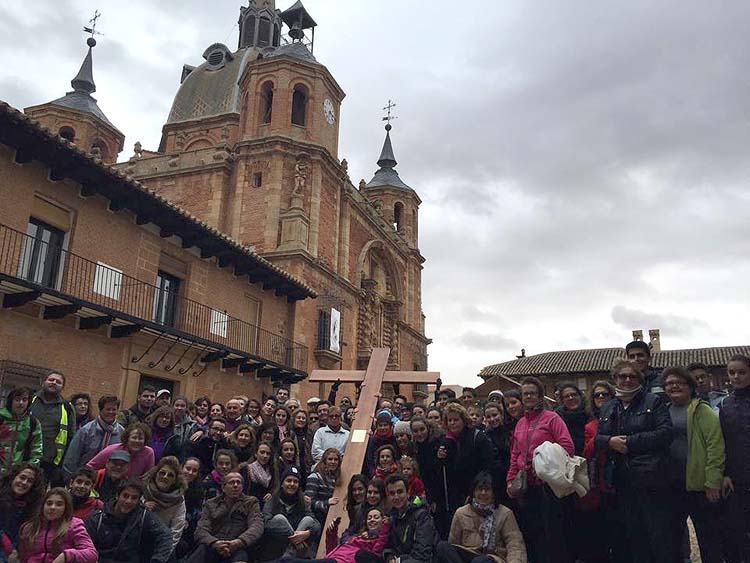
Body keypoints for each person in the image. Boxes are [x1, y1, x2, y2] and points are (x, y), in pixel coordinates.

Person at [595, 360, 674, 563]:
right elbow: (597, 438)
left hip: (651, 479)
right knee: (634, 536)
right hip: (621, 482)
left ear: (639, 379)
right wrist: (609, 441)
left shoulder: (653, 401)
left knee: (659, 536)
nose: (628, 380)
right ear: (615, 379)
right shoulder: (608, 408)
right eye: (623, 376)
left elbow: (665, 433)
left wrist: (630, 442)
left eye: (632, 376)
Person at [506, 376, 574, 563]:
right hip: (528, 487)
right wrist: (510, 479)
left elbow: (567, 446)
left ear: (540, 396)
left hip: (548, 486)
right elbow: (515, 454)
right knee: (532, 532)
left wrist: (543, 463)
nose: (528, 397)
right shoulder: (520, 423)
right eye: (525, 394)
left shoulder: (552, 418)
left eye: (532, 393)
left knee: (553, 534)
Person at [661, 366, 724, 563]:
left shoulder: (701, 410)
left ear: (689, 386)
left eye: (679, 382)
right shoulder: (664, 411)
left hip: (698, 483)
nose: (674, 386)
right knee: (674, 536)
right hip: (672, 483)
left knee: (707, 536)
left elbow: (716, 446)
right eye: (669, 383)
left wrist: (713, 481)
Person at [435, 472, 526, 563]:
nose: (483, 493)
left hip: (492, 558)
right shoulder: (461, 513)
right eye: (479, 489)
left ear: (493, 492)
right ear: (473, 492)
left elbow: (515, 546)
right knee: (442, 547)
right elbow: (453, 544)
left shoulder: (505, 514)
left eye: (487, 490)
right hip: (467, 555)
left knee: (479, 561)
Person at [437, 403, 494, 539]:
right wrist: (440, 459)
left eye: (456, 420)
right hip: (455, 495)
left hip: (476, 491)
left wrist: (475, 490)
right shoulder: (446, 441)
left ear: (463, 420)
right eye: (449, 420)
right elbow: (445, 471)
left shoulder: (477, 437)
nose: (452, 423)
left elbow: (487, 466)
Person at [85, 479, 172, 563]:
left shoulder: (143, 516)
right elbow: (84, 546)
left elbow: (165, 535)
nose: (128, 501)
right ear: (117, 496)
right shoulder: (97, 518)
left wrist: (157, 560)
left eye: (134, 498)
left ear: (139, 500)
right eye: (125, 496)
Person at [190, 471, 264, 563]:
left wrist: (239, 541)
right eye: (231, 482)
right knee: (201, 551)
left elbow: (257, 526)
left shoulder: (251, 502)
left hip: (240, 547)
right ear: (223, 488)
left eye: (239, 482)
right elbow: (201, 530)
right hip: (214, 546)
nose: (236, 485)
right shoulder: (211, 504)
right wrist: (215, 543)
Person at [580, 380, 616, 563]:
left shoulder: (621, 416)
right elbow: (587, 451)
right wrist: (601, 440)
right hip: (600, 482)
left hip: (622, 479)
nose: (601, 397)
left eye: (605, 394)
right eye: (597, 395)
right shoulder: (590, 425)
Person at [719, 354, 750, 563]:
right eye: (732, 373)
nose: (736, 377)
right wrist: (725, 473)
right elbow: (722, 442)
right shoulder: (725, 405)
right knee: (739, 532)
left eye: (742, 372)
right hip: (737, 478)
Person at [19, 487, 98, 563]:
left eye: (59, 504)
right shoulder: (29, 527)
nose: (53, 507)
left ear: (65, 507)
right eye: (49, 503)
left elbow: (91, 554)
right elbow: (24, 557)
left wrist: (66, 556)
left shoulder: (74, 525)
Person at [261, 466, 320, 559]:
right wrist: (293, 538)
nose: (292, 484)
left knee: (308, 519)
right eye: (288, 480)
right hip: (276, 545)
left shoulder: (303, 502)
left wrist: (308, 533)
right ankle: (293, 547)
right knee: (280, 519)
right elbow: (265, 523)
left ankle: (290, 551)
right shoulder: (272, 499)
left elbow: (316, 525)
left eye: (295, 481)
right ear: (282, 483)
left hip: (298, 550)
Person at [29, 371, 75, 485]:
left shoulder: (67, 408)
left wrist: (60, 466)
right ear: (43, 382)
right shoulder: (30, 399)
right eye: (51, 380)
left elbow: (70, 438)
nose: (54, 383)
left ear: (62, 387)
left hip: (48, 464)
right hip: (24, 457)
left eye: (58, 382)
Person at [62, 395, 124, 480]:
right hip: (85, 479)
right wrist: (70, 480)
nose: (111, 412)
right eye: (108, 409)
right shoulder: (86, 431)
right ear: (100, 410)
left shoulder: (122, 433)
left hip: (109, 480)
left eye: (114, 409)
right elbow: (71, 458)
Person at [384, 473, 437, 563]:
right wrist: (389, 557)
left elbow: (422, 554)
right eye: (392, 493)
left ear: (408, 493)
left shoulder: (422, 515)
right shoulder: (392, 517)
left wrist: (400, 561)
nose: (396, 497)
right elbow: (389, 546)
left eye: (400, 492)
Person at [142, 455, 187, 552]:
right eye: (162, 473)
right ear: (156, 474)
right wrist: (142, 507)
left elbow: (176, 529)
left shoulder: (178, 499)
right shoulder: (144, 489)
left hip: (162, 542)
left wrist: (164, 553)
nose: (165, 477)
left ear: (175, 480)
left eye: (170, 475)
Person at [322, 506, 391, 563]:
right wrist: (331, 533)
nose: (372, 520)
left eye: (376, 517)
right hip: (331, 558)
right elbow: (331, 550)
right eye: (369, 518)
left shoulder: (378, 540)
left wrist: (385, 528)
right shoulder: (356, 537)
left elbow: (376, 552)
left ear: (383, 520)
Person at [0, 386, 43, 475]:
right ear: (10, 401)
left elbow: (36, 450)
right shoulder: (1, 418)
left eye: (24, 400)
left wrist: (28, 469)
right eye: (17, 399)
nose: (21, 403)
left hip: (17, 473)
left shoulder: (33, 423)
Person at [87, 422, 154, 478]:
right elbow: (89, 467)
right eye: (134, 437)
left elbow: (147, 475)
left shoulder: (148, 453)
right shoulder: (112, 449)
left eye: (140, 438)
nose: (137, 441)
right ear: (127, 438)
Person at [0, 463, 46, 544]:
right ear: (13, 477)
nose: (24, 482)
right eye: (22, 477)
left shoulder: (31, 507)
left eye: (30, 481)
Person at [483, 402, 511, 504]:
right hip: (494, 480)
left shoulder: (510, 432)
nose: (492, 419)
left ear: (501, 414)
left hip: (510, 476)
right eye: (488, 417)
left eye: (495, 415)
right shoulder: (484, 436)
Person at [305, 447, 342, 523]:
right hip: (316, 518)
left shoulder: (338, 478)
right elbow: (308, 503)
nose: (333, 462)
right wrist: (326, 503)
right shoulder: (315, 477)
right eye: (330, 459)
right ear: (324, 461)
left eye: (336, 459)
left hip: (331, 517)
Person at [177, 457, 203, 559]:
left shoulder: (199, 490)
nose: (190, 473)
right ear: (181, 468)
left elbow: (196, 511)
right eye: (188, 468)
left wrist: (186, 520)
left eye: (194, 471)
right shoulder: (171, 483)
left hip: (187, 527)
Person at [364, 411, 398, 477]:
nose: (382, 428)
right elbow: (370, 459)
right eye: (380, 425)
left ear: (390, 426)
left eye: (385, 425)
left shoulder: (394, 438)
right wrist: (374, 473)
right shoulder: (374, 440)